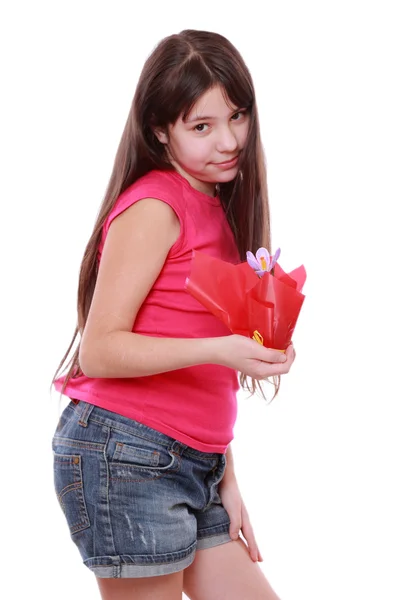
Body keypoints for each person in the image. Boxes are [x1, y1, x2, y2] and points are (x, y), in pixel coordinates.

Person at [51, 29, 296, 600]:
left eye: (236, 116)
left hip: (192, 463)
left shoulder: (217, 207)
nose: (229, 140)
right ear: (161, 131)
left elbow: (197, 366)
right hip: (124, 452)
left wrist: (225, 475)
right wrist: (220, 349)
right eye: (201, 126)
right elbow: (101, 350)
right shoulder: (156, 205)